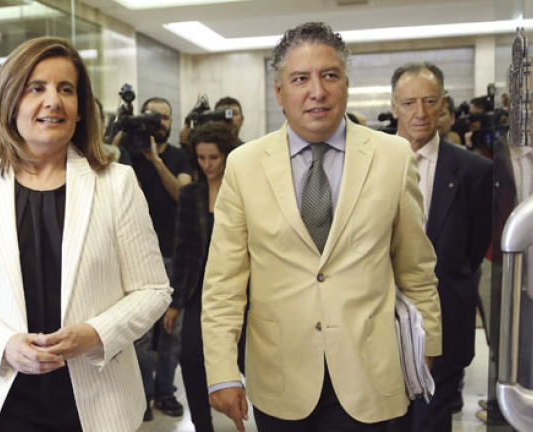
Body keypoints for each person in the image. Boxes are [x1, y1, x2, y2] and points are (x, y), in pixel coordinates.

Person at [201, 21, 442, 432]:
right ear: (280, 92)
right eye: (300, 79)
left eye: (329, 75)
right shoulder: (244, 165)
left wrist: (427, 345)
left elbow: (416, 268)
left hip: (369, 373)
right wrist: (222, 371)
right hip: (280, 374)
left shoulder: (392, 156)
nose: (317, 91)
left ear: (346, 83)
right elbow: (224, 282)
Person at [0, 36, 172, 432]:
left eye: (66, 89)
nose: (53, 101)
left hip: (96, 400)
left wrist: (95, 334)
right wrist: (4, 345)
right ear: (11, 101)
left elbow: (153, 290)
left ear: (80, 109)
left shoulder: (116, 183)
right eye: (36, 88)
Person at [389, 62, 492, 432]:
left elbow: (474, 248)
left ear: (443, 104)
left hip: (446, 322)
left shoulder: (473, 171)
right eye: (409, 102)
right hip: (380, 323)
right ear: (394, 107)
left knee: (432, 423)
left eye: (430, 101)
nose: (420, 112)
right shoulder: (370, 163)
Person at [163, 123, 238, 432]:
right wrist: (175, 302)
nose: (208, 165)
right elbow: (182, 251)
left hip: (240, 289)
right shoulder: (191, 194)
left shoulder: (241, 192)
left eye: (214, 158)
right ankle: (202, 425)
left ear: (227, 156)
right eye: (202, 158)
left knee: (251, 360)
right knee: (191, 358)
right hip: (200, 289)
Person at [122, 96, 192, 420]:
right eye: (153, 117)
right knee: (140, 334)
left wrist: (155, 161)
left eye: (164, 117)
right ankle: (143, 396)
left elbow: (182, 195)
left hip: (173, 254)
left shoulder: (180, 157)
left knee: (172, 334)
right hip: (135, 257)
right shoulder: (126, 156)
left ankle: (165, 391)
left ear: (171, 122)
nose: (159, 123)